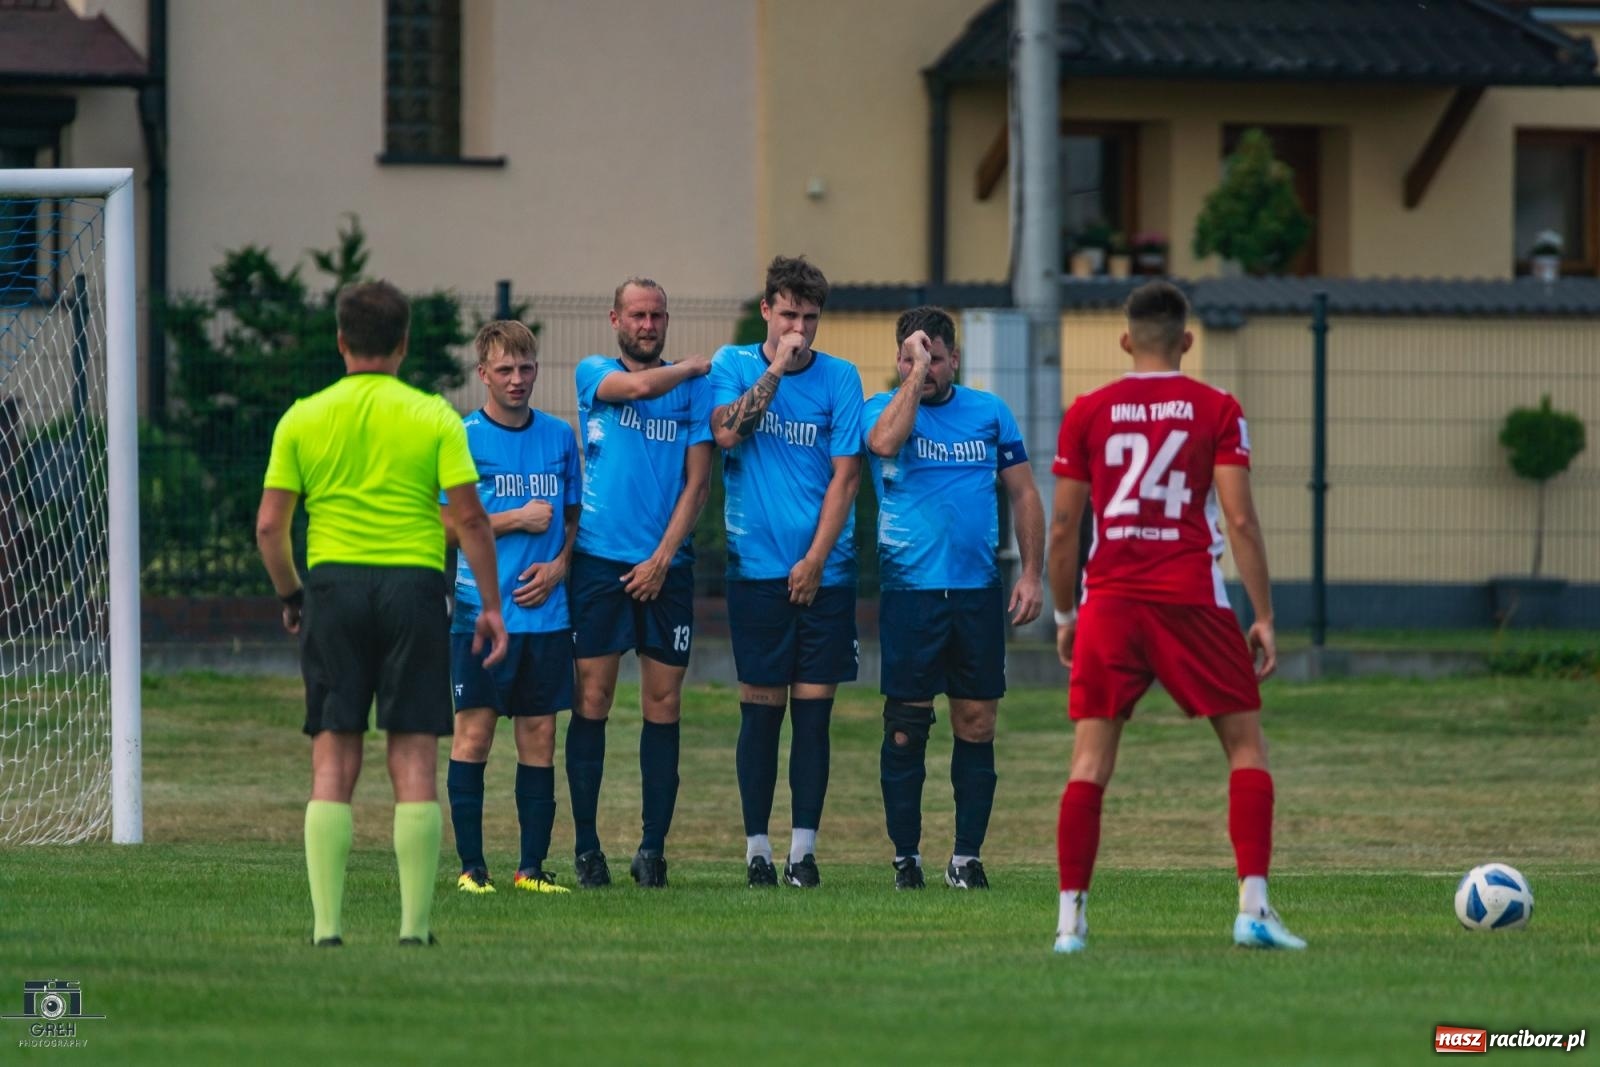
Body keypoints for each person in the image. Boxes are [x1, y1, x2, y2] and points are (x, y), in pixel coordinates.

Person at [1046, 280, 1305, 953]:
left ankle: (1070, 924)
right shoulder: (1217, 407)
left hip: (1109, 601)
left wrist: (1065, 612)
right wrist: (1265, 615)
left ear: (1125, 340)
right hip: (1190, 595)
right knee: (1246, 748)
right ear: (1187, 340)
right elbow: (1240, 519)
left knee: (1089, 762)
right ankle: (1253, 909)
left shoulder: (1087, 411)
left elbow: (1064, 527)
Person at [256, 280, 508, 948]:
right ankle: (414, 929)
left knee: (332, 761)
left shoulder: (302, 417)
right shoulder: (434, 417)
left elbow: (270, 527)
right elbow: (471, 521)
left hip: (333, 588)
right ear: (404, 343)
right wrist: (491, 605)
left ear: (341, 340)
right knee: (414, 760)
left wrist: (292, 595)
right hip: (413, 589)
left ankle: (327, 928)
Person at [862, 306, 1044, 891]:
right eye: (912, 357)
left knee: (977, 722)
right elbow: (884, 444)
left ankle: (966, 858)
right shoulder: (882, 408)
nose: (926, 368)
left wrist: (1032, 574)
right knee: (906, 727)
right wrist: (915, 376)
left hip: (975, 595)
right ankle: (905, 858)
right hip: (910, 595)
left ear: (955, 359)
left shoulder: (989, 412)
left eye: (936, 359)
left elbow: (1024, 494)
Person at [709, 254, 863, 888]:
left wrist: (816, 561)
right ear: (767, 310)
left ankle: (803, 852)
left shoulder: (841, 378)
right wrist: (775, 369)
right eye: (790, 315)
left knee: (814, 715)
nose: (800, 329)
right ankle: (757, 850)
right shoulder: (733, 364)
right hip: (756, 571)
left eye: (811, 318)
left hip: (825, 572)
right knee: (761, 712)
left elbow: (846, 478)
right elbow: (727, 434)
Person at [566, 278, 712, 889]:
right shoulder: (594, 372)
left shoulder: (694, 392)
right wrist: (693, 368)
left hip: (667, 569)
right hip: (599, 562)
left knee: (664, 704)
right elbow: (639, 388)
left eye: (657, 315)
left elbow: (698, 483)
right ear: (615, 320)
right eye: (637, 315)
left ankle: (652, 850)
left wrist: (662, 558)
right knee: (592, 699)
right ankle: (587, 849)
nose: (648, 325)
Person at [444, 320, 581, 898]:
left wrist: (560, 566)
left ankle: (531, 870)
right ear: (483, 374)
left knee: (540, 738)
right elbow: (444, 526)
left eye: (526, 368)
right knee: (473, 737)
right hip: (481, 615)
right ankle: (472, 869)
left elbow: (573, 521)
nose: (517, 379)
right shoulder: (461, 438)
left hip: (546, 619)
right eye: (505, 370)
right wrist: (514, 519)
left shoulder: (559, 437)